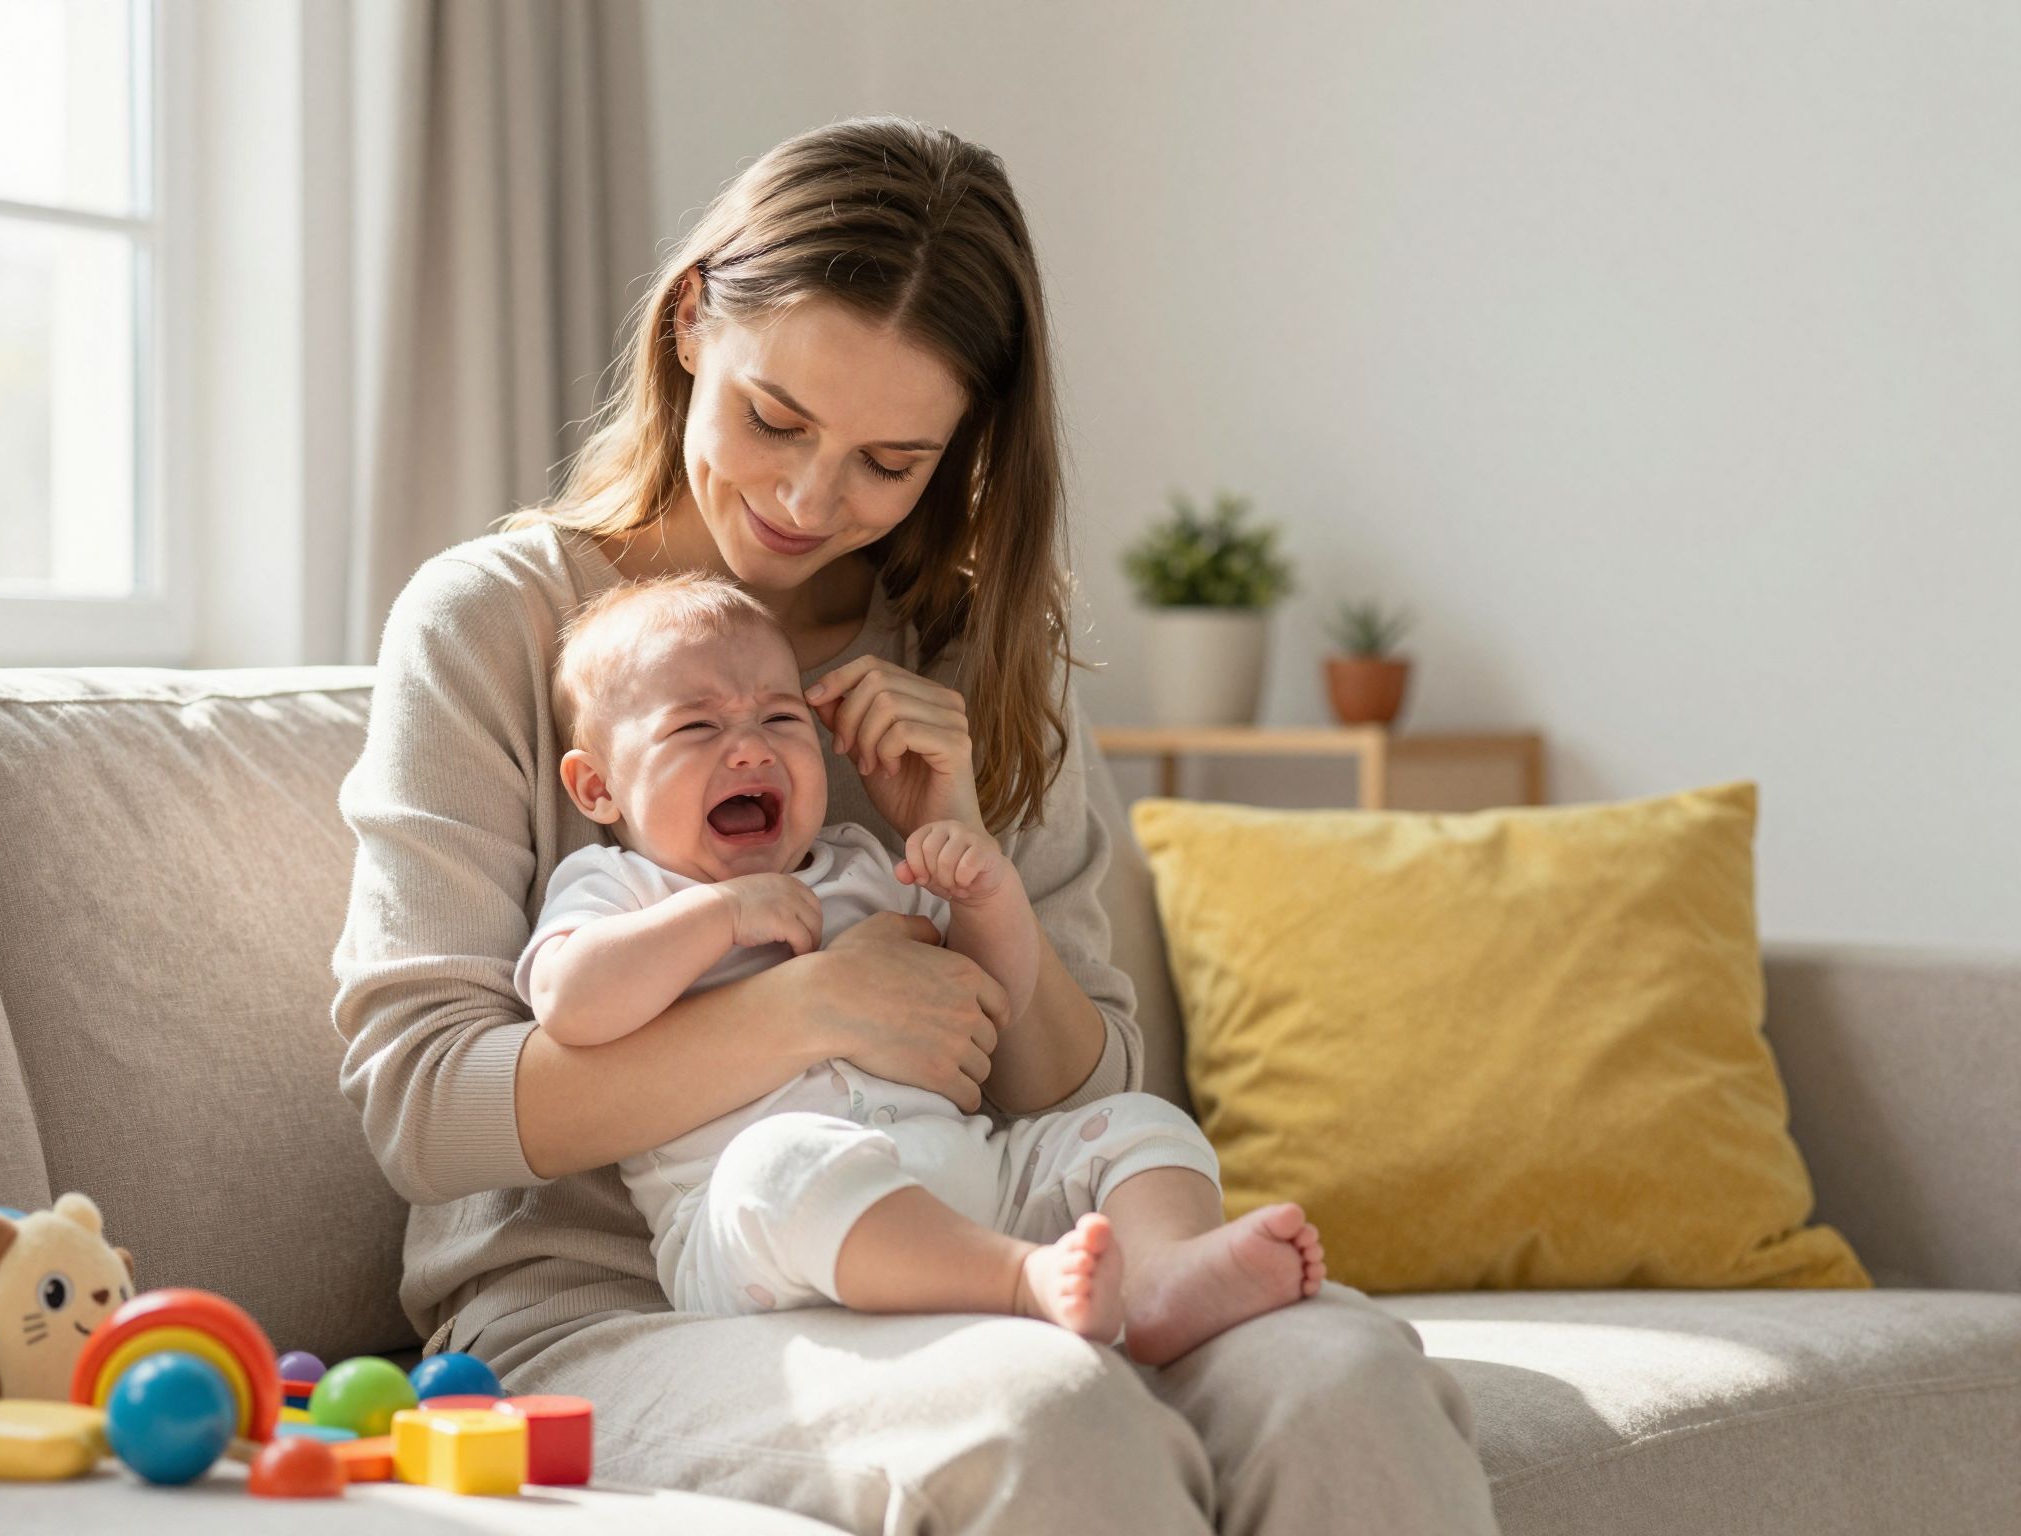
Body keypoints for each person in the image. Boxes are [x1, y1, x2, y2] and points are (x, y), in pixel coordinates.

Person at [332, 114, 1500, 1533]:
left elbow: (1087, 1082)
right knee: (1044, 1419)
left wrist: (967, 853)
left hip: (991, 1239)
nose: (807, 500)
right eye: (776, 420)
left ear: (959, 451)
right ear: (693, 320)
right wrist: (810, 1009)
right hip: (608, 1315)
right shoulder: (499, 624)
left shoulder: (972, 653)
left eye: (888, 462)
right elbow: (422, 1106)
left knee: (1343, 1380)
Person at [516, 572, 1327, 1354]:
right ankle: (1022, 1283)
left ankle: (1161, 1276)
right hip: (760, 1225)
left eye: (781, 718)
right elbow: (568, 1000)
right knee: (779, 1165)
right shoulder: (620, 886)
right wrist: (719, 915)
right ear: (596, 789)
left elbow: (992, 1005)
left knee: (1141, 1125)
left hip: (967, 1172)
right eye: (696, 728)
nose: (751, 750)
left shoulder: (864, 864)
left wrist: (985, 897)